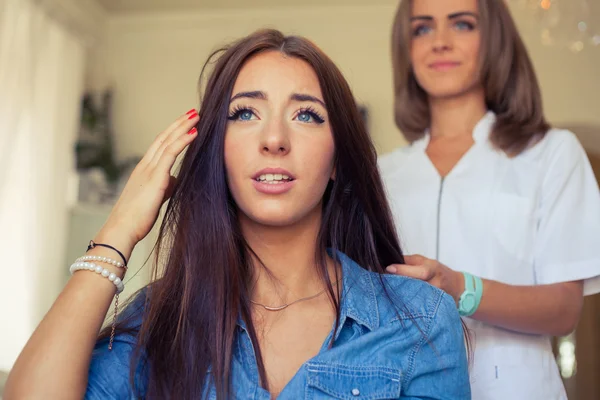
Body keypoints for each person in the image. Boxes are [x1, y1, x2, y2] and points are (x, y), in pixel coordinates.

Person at [5, 29, 470, 399]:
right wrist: (119, 229)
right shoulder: (163, 319)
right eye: (244, 113)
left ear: (338, 163)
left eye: (306, 115)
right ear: (216, 151)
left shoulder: (419, 320)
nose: (274, 139)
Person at [379, 0, 600, 399]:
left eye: (461, 25)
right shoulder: (381, 173)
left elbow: (564, 309)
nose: (440, 42)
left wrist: (460, 286)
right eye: (423, 28)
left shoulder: (551, 154)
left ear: (494, 39)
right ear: (406, 48)